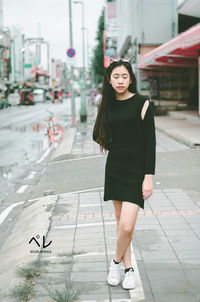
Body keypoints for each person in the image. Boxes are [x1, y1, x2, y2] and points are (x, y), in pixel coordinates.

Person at [92, 59, 156, 290]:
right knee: (121, 225)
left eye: (124, 77)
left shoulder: (142, 102)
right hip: (116, 169)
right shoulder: (107, 104)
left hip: (137, 171)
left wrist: (148, 176)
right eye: (116, 76)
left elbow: (150, 143)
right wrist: (116, 147)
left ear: (131, 79)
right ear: (109, 79)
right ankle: (128, 270)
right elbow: (97, 134)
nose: (120, 81)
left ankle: (115, 262)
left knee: (127, 226)